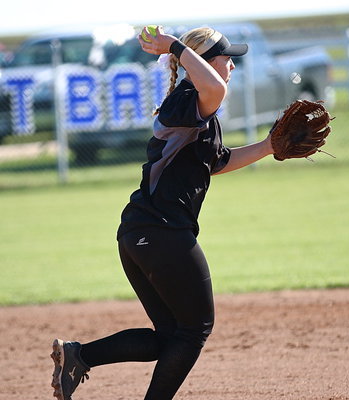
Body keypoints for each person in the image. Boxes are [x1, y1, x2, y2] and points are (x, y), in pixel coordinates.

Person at [50, 25, 274, 400]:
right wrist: (173, 45)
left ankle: (78, 356)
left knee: (169, 337)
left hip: (140, 233)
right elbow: (216, 88)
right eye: (225, 57)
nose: (232, 64)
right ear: (203, 61)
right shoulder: (194, 98)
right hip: (162, 232)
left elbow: (217, 161)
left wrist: (268, 146)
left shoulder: (194, 106)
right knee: (196, 328)